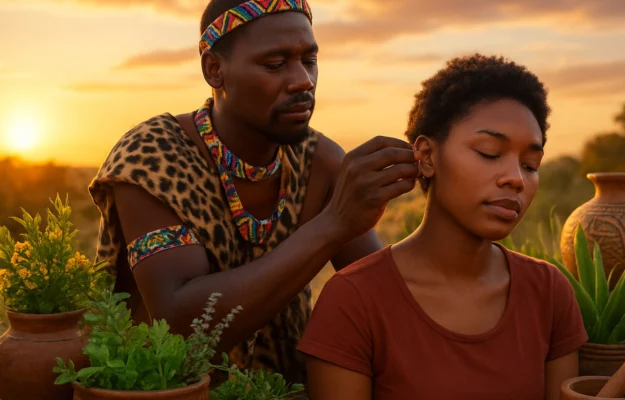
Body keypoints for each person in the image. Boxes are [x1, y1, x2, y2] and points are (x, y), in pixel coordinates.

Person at [87, 0, 420, 385]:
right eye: (275, 65)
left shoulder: (319, 161)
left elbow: (387, 301)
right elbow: (179, 326)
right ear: (215, 70)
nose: (303, 81)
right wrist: (331, 226)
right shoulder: (151, 156)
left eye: (309, 60)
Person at [297, 54, 588, 399]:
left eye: (530, 164)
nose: (516, 179)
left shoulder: (548, 292)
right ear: (428, 156)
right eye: (489, 152)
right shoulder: (353, 300)